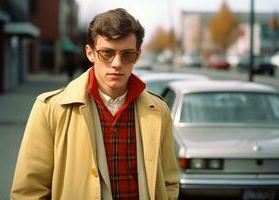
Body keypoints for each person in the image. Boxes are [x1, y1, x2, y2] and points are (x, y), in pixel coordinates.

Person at [11, 8, 179, 200]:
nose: (117, 63)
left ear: (137, 56)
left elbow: (169, 181)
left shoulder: (158, 110)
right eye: (107, 53)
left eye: (127, 54)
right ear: (90, 53)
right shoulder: (49, 108)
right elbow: (29, 190)